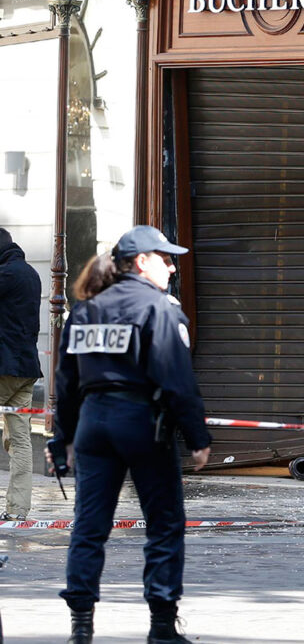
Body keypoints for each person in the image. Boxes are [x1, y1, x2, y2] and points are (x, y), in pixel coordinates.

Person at [49, 225, 211, 644]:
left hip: (92, 424)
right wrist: (197, 437)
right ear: (142, 262)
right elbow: (177, 380)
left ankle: (80, 628)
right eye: (166, 259)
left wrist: (60, 438)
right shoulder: (158, 309)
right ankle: (161, 627)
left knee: (88, 526)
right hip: (141, 422)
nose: (172, 269)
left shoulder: (84, 311)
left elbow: (65, 383)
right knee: (164, 524)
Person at [0, 227, 42, 522]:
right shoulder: (31, 274)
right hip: (27, 370)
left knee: (18, 440)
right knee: (20, 439)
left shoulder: (7, 275)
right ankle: (17, 510)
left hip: (4, 368)